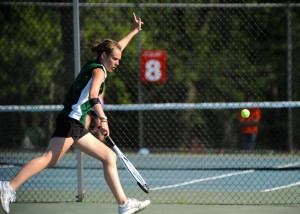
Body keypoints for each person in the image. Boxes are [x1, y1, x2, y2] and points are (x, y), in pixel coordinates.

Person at [0, 13, 150, 214]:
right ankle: (8, 187)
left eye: (119, 59)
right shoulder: (99, 71)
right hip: (72, 121)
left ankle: (124, 204)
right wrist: (102, 119)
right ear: (104, 56)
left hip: (75, 122)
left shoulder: (94, 63)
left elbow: (118, 48)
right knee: (48, 159)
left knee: (108, 157)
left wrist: (133, 31)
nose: (117, 62)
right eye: (114, 59)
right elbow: (94, 95)